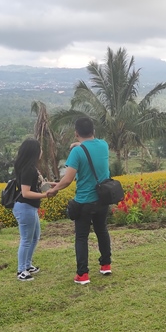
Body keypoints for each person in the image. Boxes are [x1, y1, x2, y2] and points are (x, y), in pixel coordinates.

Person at [46, 116, 112, 285]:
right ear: (93, 131)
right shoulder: (103, 145)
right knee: (102, 231)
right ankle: (106, 264)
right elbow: (90, 147)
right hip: (103, 199)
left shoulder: (77, 152)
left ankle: (82, 274)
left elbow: (67, 180)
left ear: (76, 133)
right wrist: (80, 145)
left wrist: (54, 189)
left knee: (81, 237)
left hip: (84, 201)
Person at [11, 139, 51, 281]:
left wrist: (56, 184)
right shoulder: (28, 169)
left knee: (34, 237)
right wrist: (45, 195)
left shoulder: (31, 168)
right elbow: (26, 192)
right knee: (26, 240)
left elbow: (39, 184)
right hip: (25, 207)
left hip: (30, 207)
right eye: (39, 149)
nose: (41, 152)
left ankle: (27, 265)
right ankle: (21, 270)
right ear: (34, 152)